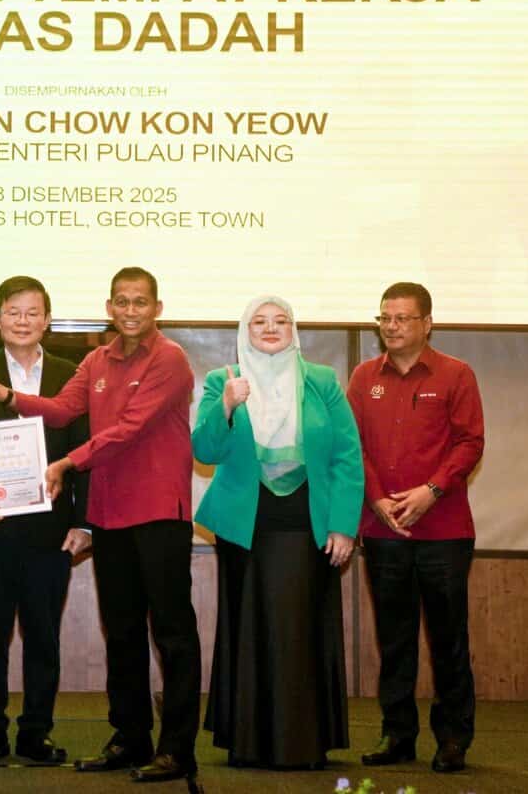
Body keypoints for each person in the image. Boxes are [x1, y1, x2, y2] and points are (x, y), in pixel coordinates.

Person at [0, 267, 200, 783]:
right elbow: (60, 410)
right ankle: (130, 737)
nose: (130, 310)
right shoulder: (97, 360)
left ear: (157, 308)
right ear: (108, 307)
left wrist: (65, 463)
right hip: (109, 514)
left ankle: (177, 748)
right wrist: (5, 395)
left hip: (159, 513)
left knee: (172, 633)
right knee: (121, 633)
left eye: (140, 302)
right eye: (121, 301)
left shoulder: (170, 358)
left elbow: (129, 429)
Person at [192, 295, 363, 769]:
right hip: (244, 529)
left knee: (299, 632)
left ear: (293, 329)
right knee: (248, 631)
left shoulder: (322, 381)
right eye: (260, 322)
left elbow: (347, 456)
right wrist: (226, 406)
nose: (271, 328)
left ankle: (301, 743)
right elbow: (204, 450)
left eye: (280, 320)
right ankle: (250, 742)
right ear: (245, 330)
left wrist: (343, 526)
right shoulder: (223, 380)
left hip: (307, 527)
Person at [0, 276, 91, 767]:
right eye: (13, 312)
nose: (23, 321)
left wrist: (84, 522)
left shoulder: (72, 374)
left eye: (33, 312)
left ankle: (36, 733)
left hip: (50, 528)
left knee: (43, 637)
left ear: (47, 320)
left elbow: (87, 446)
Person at [348, 282, 485, 774]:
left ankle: (453, 739)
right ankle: (397, 735)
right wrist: (376, 498)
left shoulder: (455, 374)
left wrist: (432, 491)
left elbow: (470, 443)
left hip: (444, 531)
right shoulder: (364, 377)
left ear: (427, 323)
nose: (392, 326)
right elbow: (353, 446)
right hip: (383, 529)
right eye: (385, 318)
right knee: (394, 640)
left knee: (448, 640)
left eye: (402, 318)